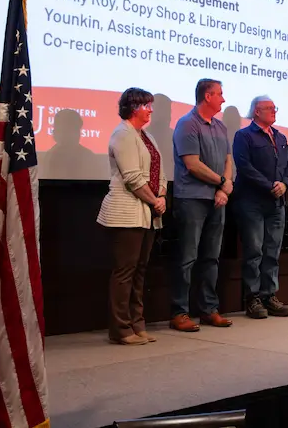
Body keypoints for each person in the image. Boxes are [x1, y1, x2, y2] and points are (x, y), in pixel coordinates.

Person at [96, 88, 166, 345]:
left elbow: (160, 172)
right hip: (126, 213)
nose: (151, 110)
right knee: (125, 272)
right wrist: (155, 200)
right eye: (147, 105)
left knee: (140, 271)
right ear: (133, 107)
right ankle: (121, 329)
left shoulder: (146, 136)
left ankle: (138, 324)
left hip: (147, 213)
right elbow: (132, 178)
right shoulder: (122, 134)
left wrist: (162, 195)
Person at [169, 78, 234, 331]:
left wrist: (224, 188)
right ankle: (179, 312)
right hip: (192, 198)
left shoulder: (220, 126)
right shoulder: (187, 123)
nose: (223, 99)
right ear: (207, 96)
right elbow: (192, 164)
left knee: (211, 257)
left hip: (217, 199)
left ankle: (208, 309)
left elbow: (228, 160)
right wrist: (222, 183)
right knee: (187, 258)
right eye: (220, 94)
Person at [233, 96, 288, 319]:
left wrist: (285, 184)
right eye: (269, 108)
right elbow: (244, 167)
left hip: (276, 204)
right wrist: (269, 186)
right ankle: (253, 298)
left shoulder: (280, 137)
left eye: (274, 108)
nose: (274, 111)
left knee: (272, 252)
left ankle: (269, 296)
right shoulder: (244, 136)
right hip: (252, 202)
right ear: (257, 112)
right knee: (254, 251)